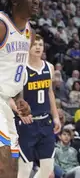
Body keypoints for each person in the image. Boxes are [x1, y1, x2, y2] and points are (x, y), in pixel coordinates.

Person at [0, 0, 40, 175]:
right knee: (4, 158)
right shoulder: (1, 25)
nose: (36, 1)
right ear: (15, 0)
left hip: (7, 102)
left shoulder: (29, 33)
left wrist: (19, 98)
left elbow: (18, 70)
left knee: (13, 163)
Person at [13, 34, 61, 178]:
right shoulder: (21, 69)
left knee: (47, 168)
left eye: (41, 44)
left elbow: (50, 93)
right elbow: (15, 97)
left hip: (45, 121)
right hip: (27, 123)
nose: (38, 47)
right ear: (28, 47)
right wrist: (20, 112)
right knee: (25, 168)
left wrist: (56, 116)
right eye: (35, 44)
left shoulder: (49, 67)